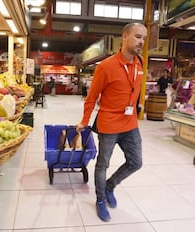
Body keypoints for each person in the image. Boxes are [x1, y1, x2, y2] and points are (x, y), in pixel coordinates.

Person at [76, 22, 147, 222]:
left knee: (136, 162)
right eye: (137, 36)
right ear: (124, 37)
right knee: (103, 164)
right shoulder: (106, 67)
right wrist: (84, 121)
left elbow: (136, 89)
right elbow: (91, 97)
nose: (141, 41)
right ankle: (100, 199)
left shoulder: (140, 63)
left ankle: (110, 186)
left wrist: (138, 106)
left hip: (130, 124)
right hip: (109, 124)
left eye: (143, 38)